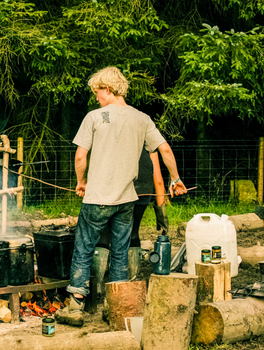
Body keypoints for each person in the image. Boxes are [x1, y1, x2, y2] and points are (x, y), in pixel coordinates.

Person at [56, 67, 187, 327]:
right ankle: (117, 307)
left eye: (97, 92)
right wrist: (176, 179)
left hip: (97, 199)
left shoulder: (95, 117)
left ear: (108, 88)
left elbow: (81, 156)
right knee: (120, 252)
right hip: (127, 199)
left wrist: (81, 182)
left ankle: (75, 307)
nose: (96, 98)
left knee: (83, 248)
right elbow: (165, 149)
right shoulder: (142, 119)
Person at [92, 149, 169, 297]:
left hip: (113, 190)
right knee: (133, 232)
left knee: (104, 234)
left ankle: (98, 289)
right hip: (143, 191)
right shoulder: (147, 139)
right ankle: (132, 283)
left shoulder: (116, 134)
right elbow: (158, 179)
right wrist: (161, 214)